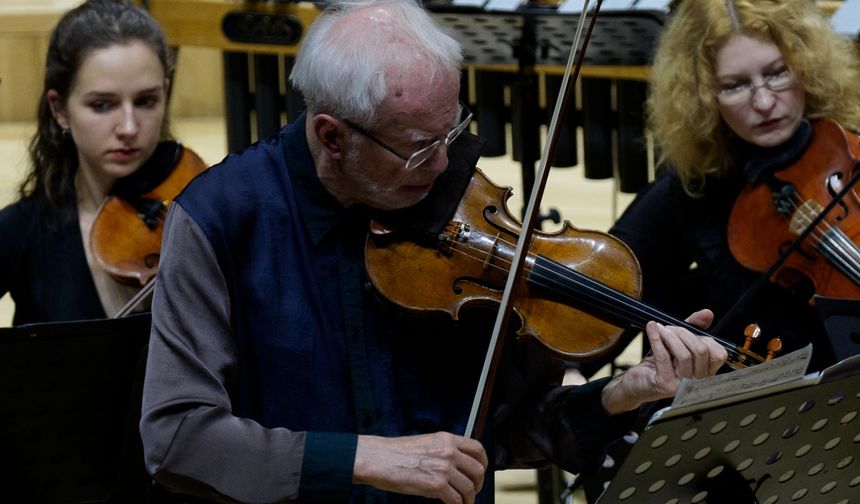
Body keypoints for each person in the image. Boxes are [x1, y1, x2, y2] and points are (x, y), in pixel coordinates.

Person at [139, 1, 727, 503]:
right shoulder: (219, 219)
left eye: (453, 132)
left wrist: (624, 393)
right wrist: (359, 458)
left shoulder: (456, 208)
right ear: (331, 136)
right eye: (420, 150)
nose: (448, 166)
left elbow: (505, 434)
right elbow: (178, 437)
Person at [610, 0, 860, 374]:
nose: (763, 101)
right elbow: (610, 284)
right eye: (736, 85)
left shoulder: (850, 157)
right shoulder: (692, 190)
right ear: (704, 96)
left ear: (807, 67)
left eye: (778, 73)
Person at [0, 0, 201, 325]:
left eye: (146, 101)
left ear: (165, 93)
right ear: (60, 109)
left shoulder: (200, 203)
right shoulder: (21, 231)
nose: (129, 128)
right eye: (102, 105)